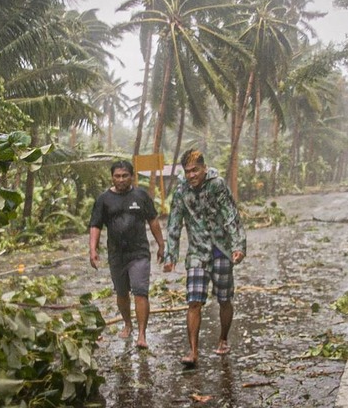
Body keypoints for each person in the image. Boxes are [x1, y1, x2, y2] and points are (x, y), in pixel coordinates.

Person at [162, 149, 247, 367]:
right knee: (194, 301)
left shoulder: (217, 185)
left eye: (195, 170)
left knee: (224, 299)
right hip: (197, 252)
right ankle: (193, 351)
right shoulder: (181, 190)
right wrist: (170, 254)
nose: (192, 175)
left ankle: (223, 338)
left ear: (204, 168)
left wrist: (238, 245)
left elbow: (231, 215)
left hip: (221, 250)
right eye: (188, 171)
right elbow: (174, 222)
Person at [89, 160, 165, 349]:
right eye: (117, 176)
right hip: (116, 254)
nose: (121, 179)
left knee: (140, 291)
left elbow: (153, 220)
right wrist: (93, 249)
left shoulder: (141, 195)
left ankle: (141, 334)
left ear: (132, 176)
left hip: (139, 253)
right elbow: (95, 225)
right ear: (112, 177)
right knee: (122, 293)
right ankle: (127, 323)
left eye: (125, 176)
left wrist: (161, 244)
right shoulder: (103, 199)